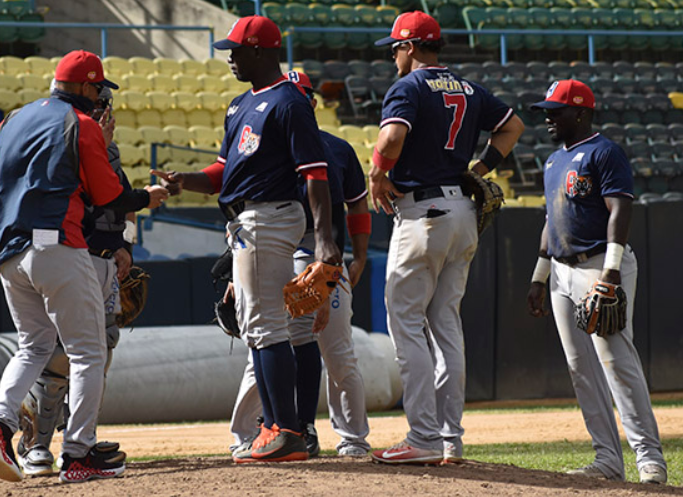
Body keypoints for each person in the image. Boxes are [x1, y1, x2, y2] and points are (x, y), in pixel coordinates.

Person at [0, 50, 168, 483]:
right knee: (88, 352)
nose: (99, 95)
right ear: (83, 86)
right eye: (97, 87)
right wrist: (146, 199)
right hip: (57, 247)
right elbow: (108, 197)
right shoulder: (80, 126)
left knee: (34, 346)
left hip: (10, 253)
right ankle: (78, 454)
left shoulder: (12, 120)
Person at [152, 16, 341, 463]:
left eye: (237, 49)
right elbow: (223, 173)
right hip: (246, 220)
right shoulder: (240, 104)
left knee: (265, 326)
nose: (230, 57)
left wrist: (326, 240)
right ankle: (274, 427)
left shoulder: (290, 102)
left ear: (262, 51)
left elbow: (315, 174)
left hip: (269, 217)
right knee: (258, 327)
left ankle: (286, 430)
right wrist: (185, 182)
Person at [368, 11, 524, 465]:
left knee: (406, 322)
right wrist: (478, 169)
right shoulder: (469, 88)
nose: (394, 54)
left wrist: (378, 172)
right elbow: (511, 127)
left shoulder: (408, 86)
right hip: (462, 209)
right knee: (446, 325)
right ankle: (450, 439)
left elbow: (393, 137)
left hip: (424, 213)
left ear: (412, 47)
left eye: (396, 46)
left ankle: (421, 436)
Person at [526, 79, 667, 484]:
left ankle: (649, 459)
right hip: (561, 272)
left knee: (617, 363)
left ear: (582, 112)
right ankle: (607, 458)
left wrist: (611, 268)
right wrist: (539, 275)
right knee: (580, 368)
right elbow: (551, 222)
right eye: (546, 110)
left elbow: (619, 209)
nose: (549, 117)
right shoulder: (553, 161)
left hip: (598, 265)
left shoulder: (605, 152)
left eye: (556, 109)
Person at [229, 71, 372, 459]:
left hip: (320, 257)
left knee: (338, 351)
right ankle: (250, 433)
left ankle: (352, 438)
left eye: (303, 94)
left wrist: (358, 256)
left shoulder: (337, 149)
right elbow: (241, 202)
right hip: (272, 253)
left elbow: (358, 202)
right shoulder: (264, 149)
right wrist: (234, 268)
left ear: (311, 102)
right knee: (264, 343)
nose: (298, 100)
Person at [15, 84, 138, 476]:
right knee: (57, 357)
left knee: (99, 352)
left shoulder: (109, 150)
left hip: (104, 261)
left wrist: (124, 246)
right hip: (70, 256)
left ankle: (79, 440)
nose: (103, 112)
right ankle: (36, 445)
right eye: (97, 104)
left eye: (105, 105)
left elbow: (124, 201)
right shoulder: (68, 142)